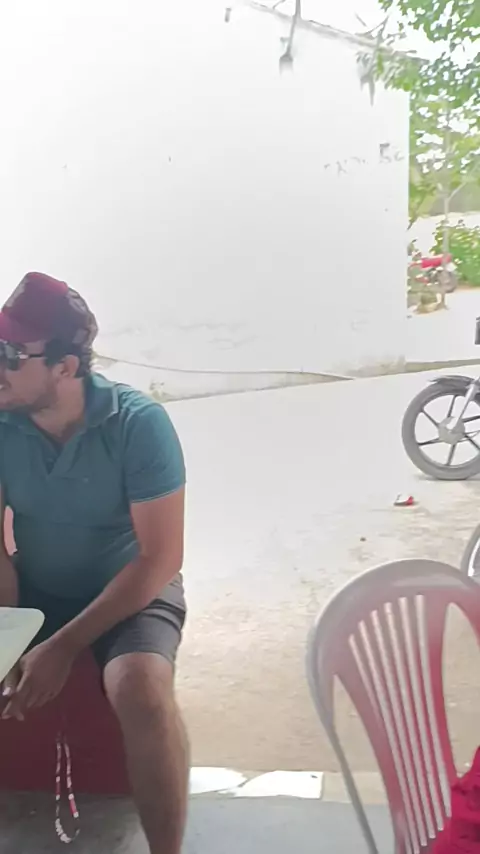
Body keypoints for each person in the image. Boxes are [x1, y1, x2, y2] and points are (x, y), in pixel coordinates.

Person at [0, 272, 188, 854]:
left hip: (130, 588)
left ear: (65, 366)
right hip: (36, 585)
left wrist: (62, 647)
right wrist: (7, 633)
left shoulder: (137, 424)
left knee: (140, 688)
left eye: (10, 354)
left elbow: (160, 557)